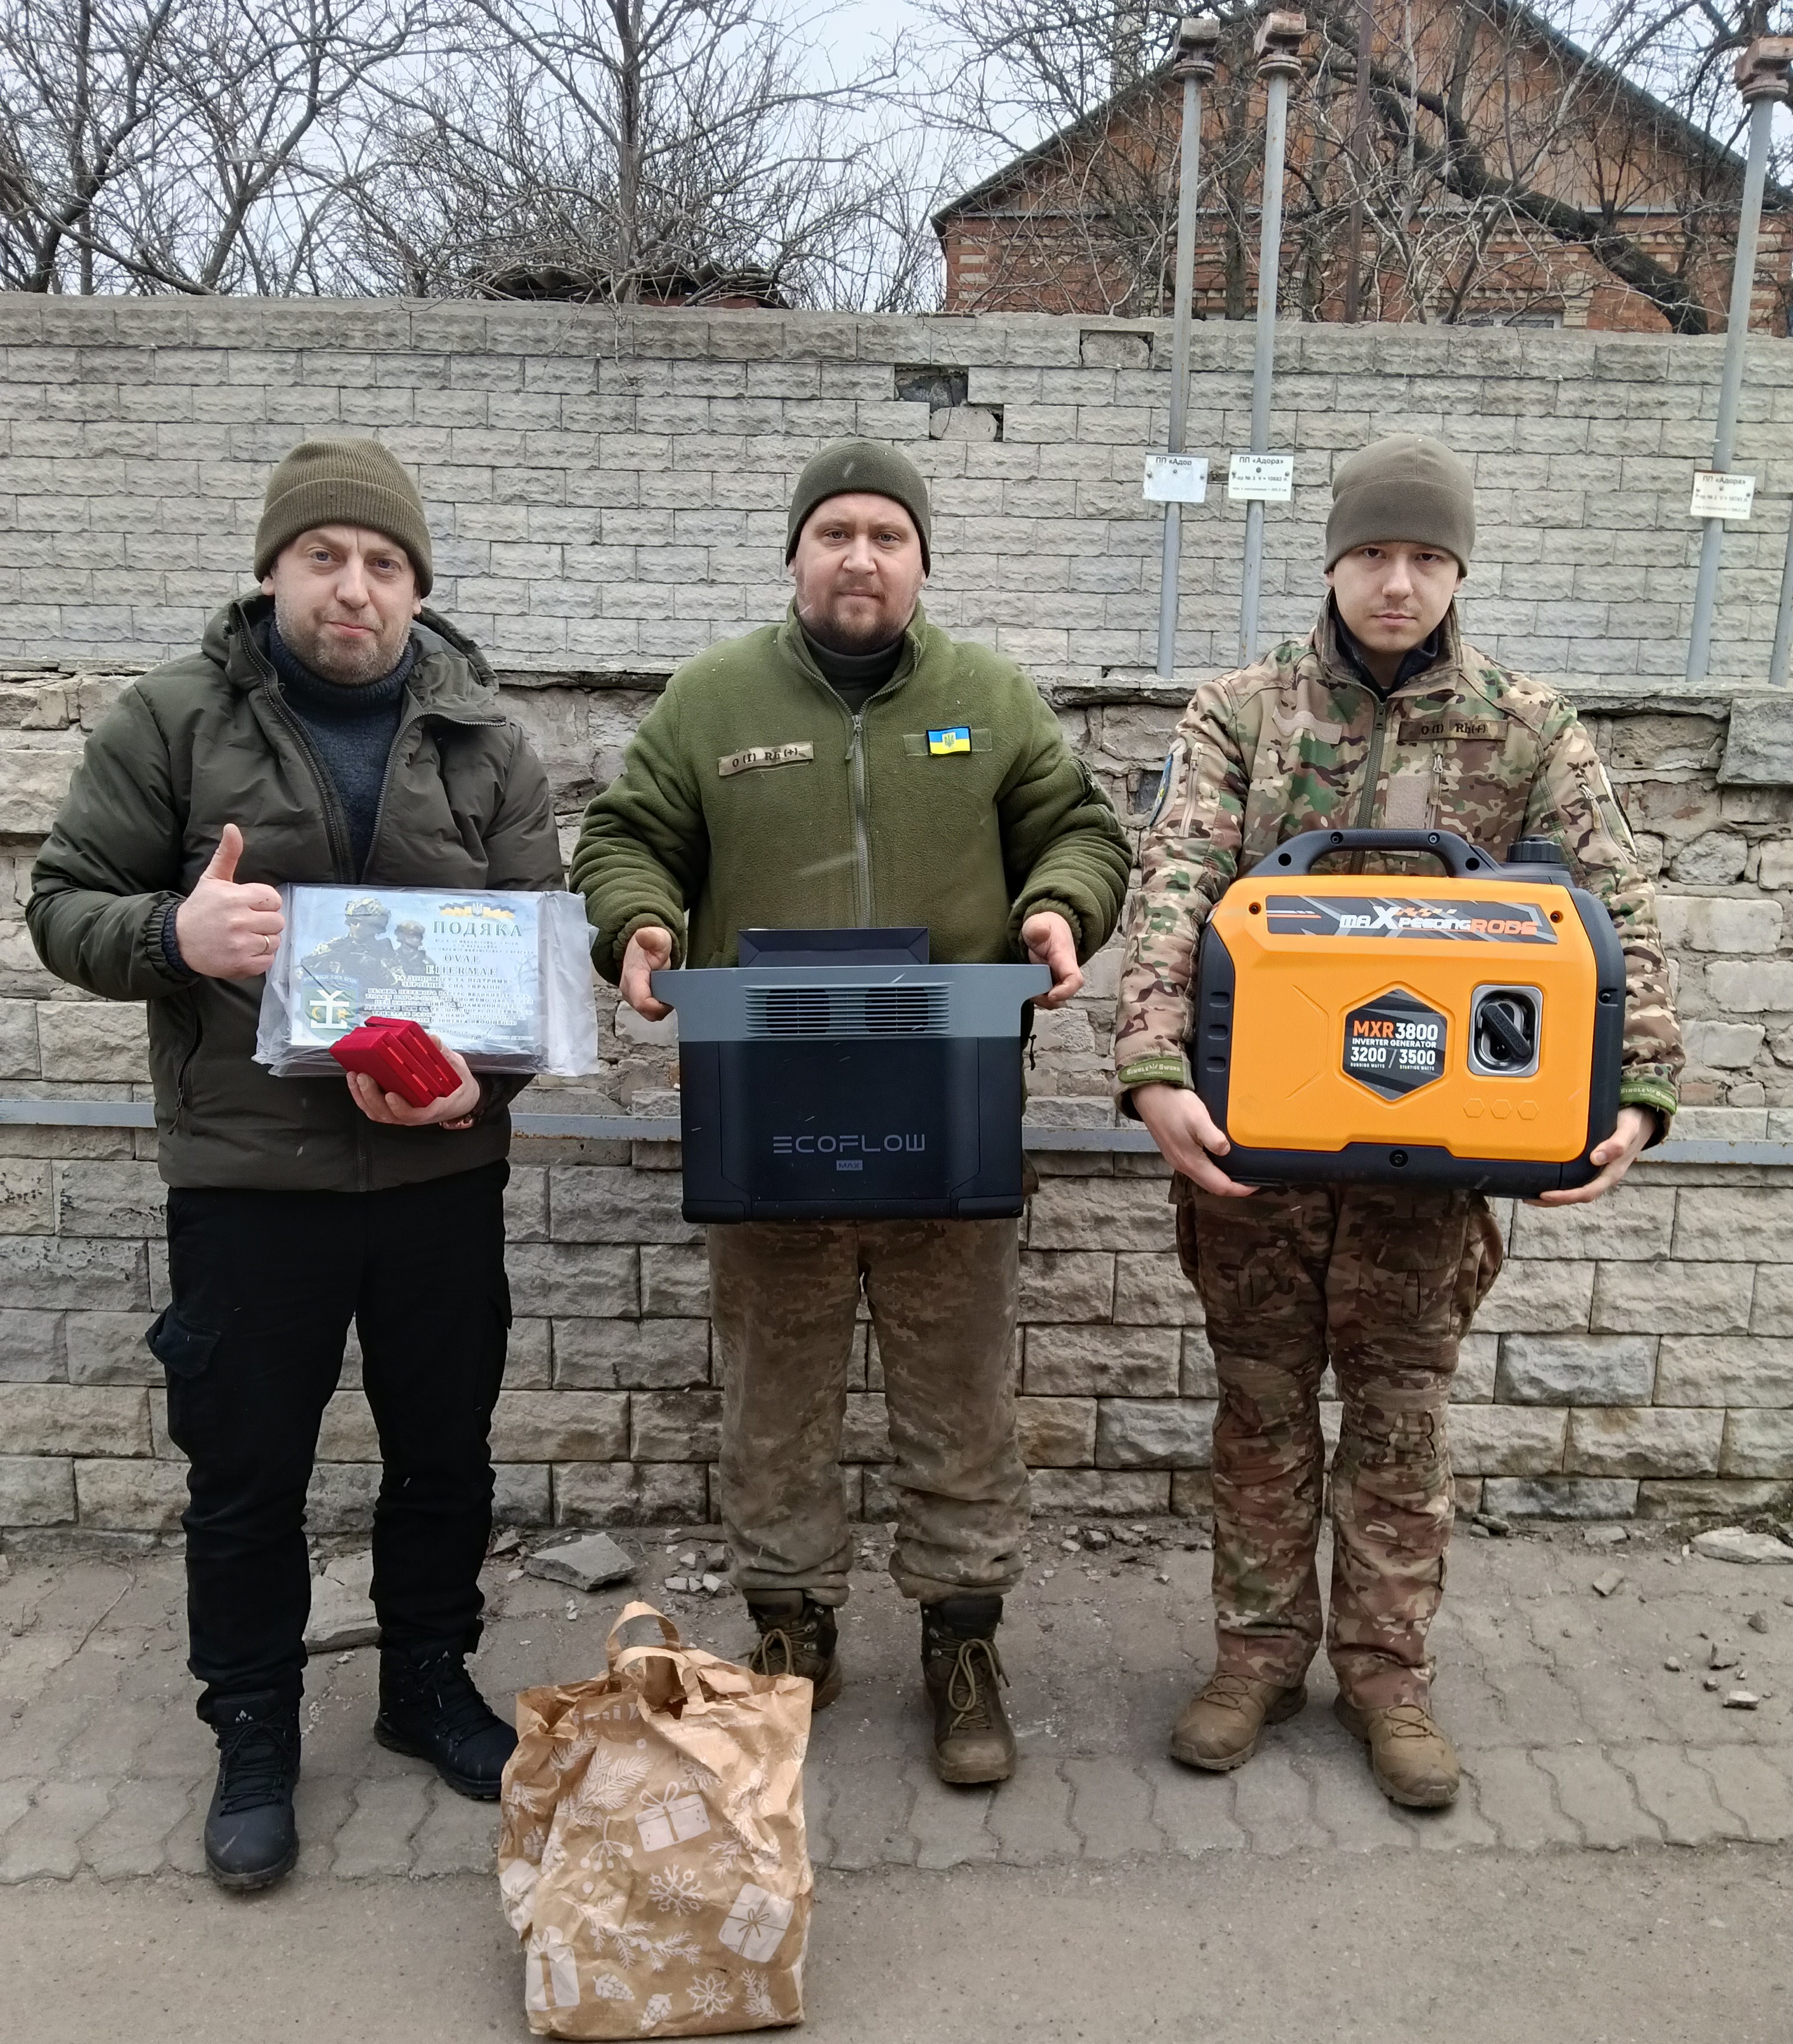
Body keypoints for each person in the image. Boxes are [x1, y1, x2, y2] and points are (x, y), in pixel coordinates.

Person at [1114, 432, 1683, 1810]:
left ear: (1459, 572)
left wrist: (1640, 1089)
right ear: (1333, 561)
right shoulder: (1241, 715)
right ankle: (1257, 1661)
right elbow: (1176, 880)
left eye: (1428, 558)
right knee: (1260, 1415)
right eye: (1373, 553)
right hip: (1259, 1149)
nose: (1397, 583)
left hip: (1435, 1168)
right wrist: (1152, 1064)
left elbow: (1617, 907)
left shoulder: (1526, 728)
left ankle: (1388, 1679)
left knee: (1402, 1426)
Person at [29, 438, 565, 1891]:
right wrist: (173, 935)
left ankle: (425, 1683)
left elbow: (534, 950)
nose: (354, 588)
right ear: (273, 570)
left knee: (443, 1450)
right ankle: (254, 1725)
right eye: (324, 557)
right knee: (247, 1467)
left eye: (384, 564)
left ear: (417, 588)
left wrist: (482, 1081)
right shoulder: (174, 720)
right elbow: (64, 902)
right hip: (250, 1181)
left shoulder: (486, 742)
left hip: (440, 1178)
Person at [572, 438, 1131, 1786]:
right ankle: (793, 1629)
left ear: (923, 562)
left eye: (888, 534)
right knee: (775, 1398)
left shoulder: (988, 698)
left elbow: (1081, 830)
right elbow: (626, 837)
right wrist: (638, 923)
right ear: (795, 556)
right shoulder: (714, 700)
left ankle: (962, 1642)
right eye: (835, 533)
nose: (861, 556)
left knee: (962, 1397)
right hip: (769, 1116)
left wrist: (1059, 909)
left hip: (949, 1111)